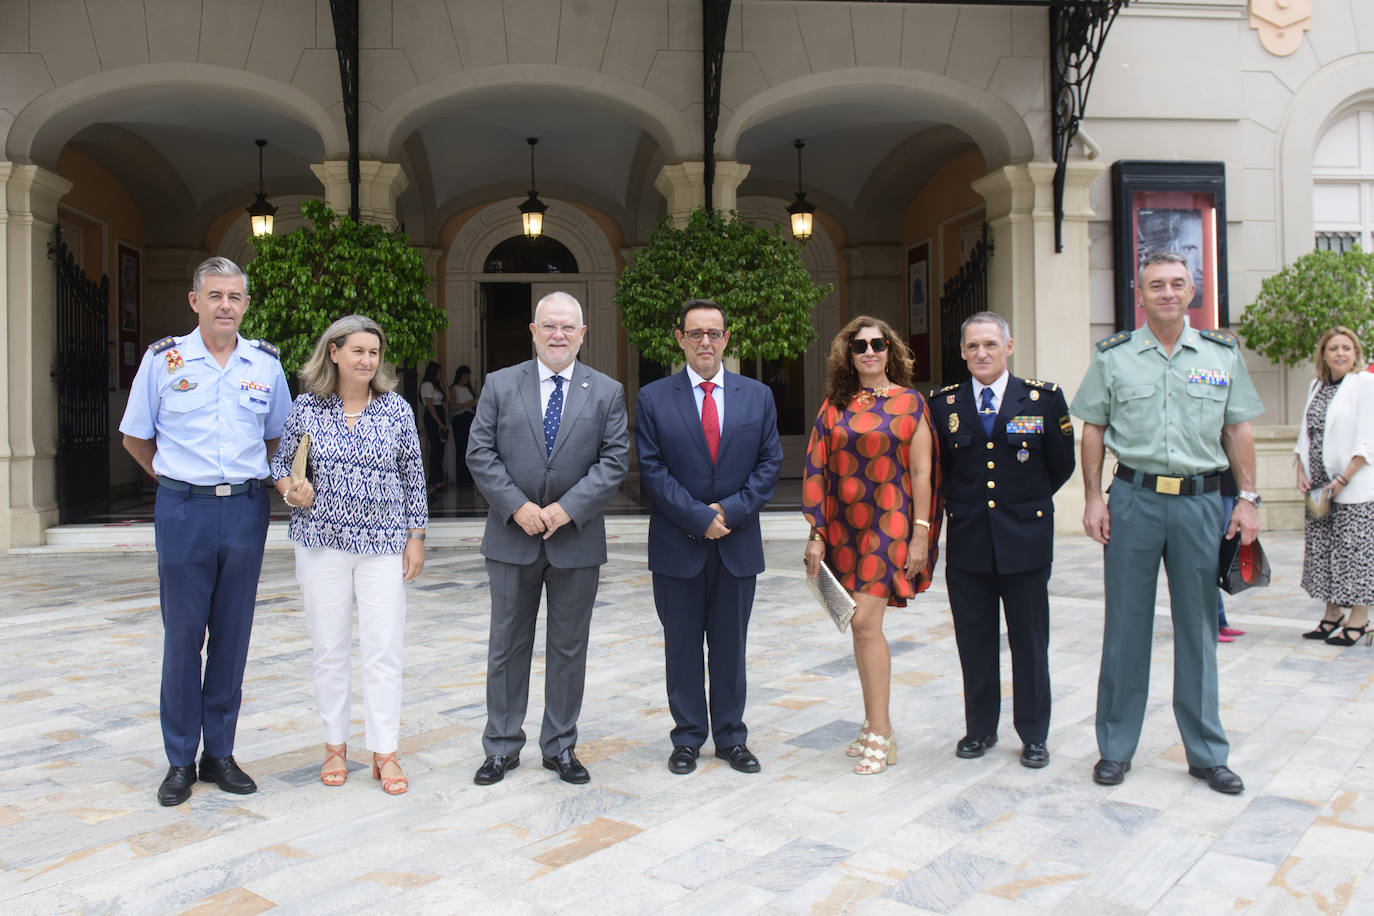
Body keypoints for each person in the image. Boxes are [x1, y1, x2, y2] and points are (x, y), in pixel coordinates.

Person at [1070, 251, 1263, 795]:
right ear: (1140, 293)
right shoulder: (1114, 357)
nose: (1167, 293)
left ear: (1192, 290)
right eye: (1156, 285)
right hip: (1134, 499)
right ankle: (1115, 747)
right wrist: (1092, 499)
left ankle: (1206, 753)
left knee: (1198, 628)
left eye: (1178, 283)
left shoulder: (1221, 355)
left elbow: (1238, 432)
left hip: (1203, 503)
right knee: (1126, 625)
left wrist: (1247, 500)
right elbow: (1092, 429)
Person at [118, 256, 291, 806]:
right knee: (183, 636)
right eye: (215, 295)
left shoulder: (264, 365)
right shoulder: (163, 361)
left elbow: (276, 439)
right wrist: (176, 480)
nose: (225, 306)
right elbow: (136, 437)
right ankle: (178, 760)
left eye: (235, 297)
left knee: (233, 635)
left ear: (245, 304)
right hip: (183, 510)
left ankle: (219, 752)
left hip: (243, 509)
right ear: (195, 301)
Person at [466, 291, 629, 786]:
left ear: (583, 334)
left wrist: (565, 509)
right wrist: (517, 507)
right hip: (511, 538)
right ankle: (501, 746)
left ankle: (560, 746)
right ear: (533, 331)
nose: (558, 335)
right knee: (507, 645)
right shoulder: (499, 384)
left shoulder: (606, 391)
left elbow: (614, 461)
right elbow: (480, 453)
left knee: (568, 647)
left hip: (575, 540)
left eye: (568, 327)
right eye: (549, 326)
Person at [271, 315, 428, 795]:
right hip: (321, 543)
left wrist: (416, 535)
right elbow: (280, 465)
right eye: (357, 351)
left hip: (382, 544)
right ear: (334, 352)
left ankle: (385, 752)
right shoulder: (306, 409)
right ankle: (335, 746)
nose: (367, 360)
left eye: (374, 353)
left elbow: (412, 472)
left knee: (383, 649)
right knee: (329, 648)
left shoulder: (396, 409)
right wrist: (290, 490)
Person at [635, 300, 783, 776]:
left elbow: (769, 465)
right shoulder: (654, 397)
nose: (705, 342)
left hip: (737, 546)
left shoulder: (757, 396)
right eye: (695, 333)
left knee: (730, 647)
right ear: (679, 338)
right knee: (680, 649)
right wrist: (698, 517)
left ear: (726, 337)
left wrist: (729, 512)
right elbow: (651, 471)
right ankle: (687, 738)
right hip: (679, 546)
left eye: (714, 333)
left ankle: (731, 738)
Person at [928, 312, 1075, 769]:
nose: (981, 354)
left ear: (1008, 347)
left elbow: (1060, 464)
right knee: (974, 640)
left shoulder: (1043, 400)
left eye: (990, 344)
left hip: (1025, 541)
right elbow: (941, 472)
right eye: (972, 346)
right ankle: (980, 729)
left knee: (1030, 641)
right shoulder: (944, 405)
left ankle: (1033, 734)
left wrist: (1021, 503)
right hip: (970, 541)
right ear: (962, 352)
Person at [802, 316, 942, 775]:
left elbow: (922, 472)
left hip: (890, 524)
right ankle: (871, 723)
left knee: (864, 622)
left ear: (891, 350)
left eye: (878, 343)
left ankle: (882, 731)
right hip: (845, 529)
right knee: (861, 629)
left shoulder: (909, 403)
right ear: (848, 354)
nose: (869, 351)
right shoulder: (834, 406)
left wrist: (921, 532)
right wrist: (817, 534)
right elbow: (818, 471)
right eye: (859, 345)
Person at [1295, 327, 1374, 646]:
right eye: (1333, 348)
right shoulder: (1317, 385)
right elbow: (1307, 432)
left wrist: (1343, 479)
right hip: (1320, 487)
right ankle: (1331, 615)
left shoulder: (1365, 384)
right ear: (1323, 355)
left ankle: (1360, 620)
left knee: (1355, 554)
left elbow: (1368, 439)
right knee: (1323, 551)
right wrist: (1300, 467)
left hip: (1352, 487)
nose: (1340, 354)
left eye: (1346, 348)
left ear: (1355, 353)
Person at [449, 365, 479, 488]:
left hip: (470, 419)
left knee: (469, 449)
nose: (467, 379)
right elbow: (452, 407)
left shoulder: (468, 389)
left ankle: (470, 479)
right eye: (466, 376)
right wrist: (468, 403)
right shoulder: (454, 389)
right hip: (459, 420)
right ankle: (462, 480)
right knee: (461, 449)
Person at [419, 360, 447, 492]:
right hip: (433, 416)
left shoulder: (437, 385)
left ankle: (439, 477)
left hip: (440, 413)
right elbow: (430, 406)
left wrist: (444, 384)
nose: (440, 374)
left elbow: (447, 399)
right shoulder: (427, 385)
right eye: (439, 372)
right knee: (435, 447)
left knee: (440, 448)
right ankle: (434, 478)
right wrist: (439, 423)